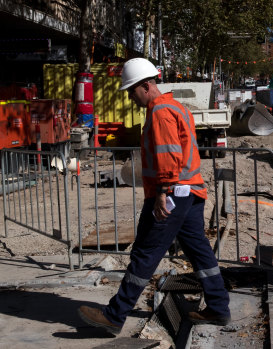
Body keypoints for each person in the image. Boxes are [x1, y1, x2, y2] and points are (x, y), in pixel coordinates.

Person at [77, 58, 230, 335]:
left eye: (131, 90)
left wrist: (161, 193)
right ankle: (218, 308)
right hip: (190, 191)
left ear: (146, 86)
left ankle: (115, 315)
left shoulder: (159, 111)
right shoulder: (177, 107)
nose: (129, 96)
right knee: (200, 253)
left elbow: (168, 156)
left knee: (145, 253)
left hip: (171, 194)